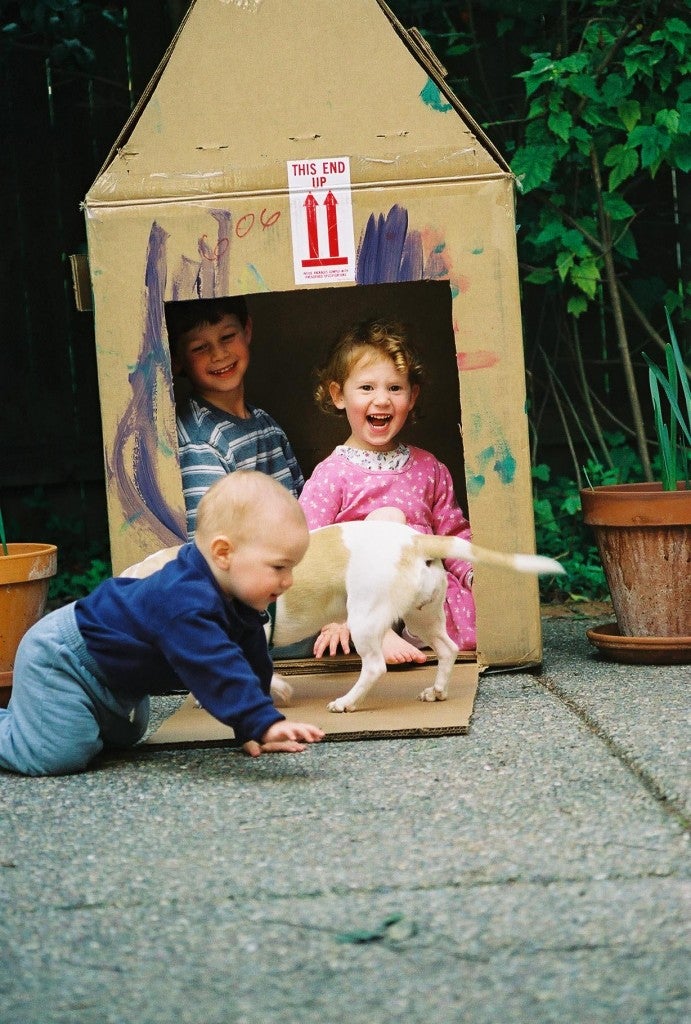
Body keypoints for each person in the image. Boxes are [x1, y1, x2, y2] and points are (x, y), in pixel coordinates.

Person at [0, 472, 324, 777]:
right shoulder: (184, 601)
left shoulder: (236, 599)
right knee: (60, 754)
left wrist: (253, 728)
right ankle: (23, 729)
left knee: (127, 737)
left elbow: (251, 664)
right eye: (279, 567)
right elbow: (215, 666)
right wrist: (263, 722)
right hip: (64, 658)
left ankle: (39, 718)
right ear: (224, 553)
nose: (288, 581)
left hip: (114, 680)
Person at [299, 317, 476, 662]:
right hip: (357, 598)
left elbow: (452, 531)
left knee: (474, 600)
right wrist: (333, 618)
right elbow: (311, 550)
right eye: (366, 388)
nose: (381, 400)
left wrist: (472, 573)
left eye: (394, 388)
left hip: (419, 595)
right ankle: (375, 631)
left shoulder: (429, 468)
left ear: (412, 397)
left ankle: (410, 632)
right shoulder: (332, 474)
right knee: (387, 520)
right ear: (338, 395)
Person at [166, 296, 304, 538]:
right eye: (200, 347)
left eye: (227, 337)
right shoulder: (200, 442)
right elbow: (211, 546)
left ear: (247, 330)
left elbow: (305, 511)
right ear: (177, 360)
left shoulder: (267, 425)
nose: (219, 354)